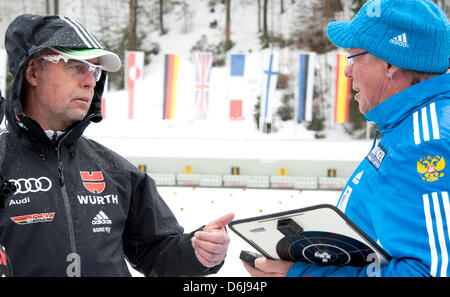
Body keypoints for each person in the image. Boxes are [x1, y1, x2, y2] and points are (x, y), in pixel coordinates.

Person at [0, 14, 234, 277]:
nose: (90, 81)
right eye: (77, 66)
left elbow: (155, 250)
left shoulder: (115, 170)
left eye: (96, 70)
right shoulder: (2, 163)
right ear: (32, 71)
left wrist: (196, 253)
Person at [244, 0, 450, 277]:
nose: (347, 71)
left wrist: (303, 275)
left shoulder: (422, 144)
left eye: (356, 56)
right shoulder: (407, 126)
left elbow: (430, 272)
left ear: (390, 65)